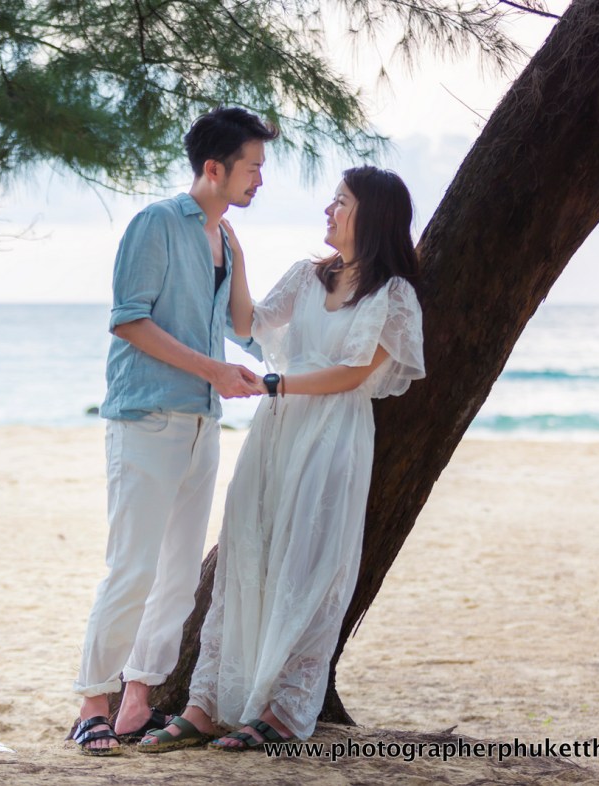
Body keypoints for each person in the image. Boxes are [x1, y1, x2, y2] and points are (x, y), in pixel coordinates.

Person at [139, 166, 425, 753]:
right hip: (276, 431)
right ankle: (204, 705)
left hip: (332, 435)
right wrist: (238, 260)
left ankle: (283, 709)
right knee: (246, 552)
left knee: (306, 567)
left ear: (372, 215)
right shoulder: (306, 275)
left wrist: (276, 384)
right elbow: (248, 322)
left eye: (341, 202)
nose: (329, 210)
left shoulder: (393, 295)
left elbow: (352, 373)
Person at [70, 107, 278, 756]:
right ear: (214, 168)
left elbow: (241, 326)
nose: (260, 180)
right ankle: (92, 702)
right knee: (132, 566)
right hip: (147, 417)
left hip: (201, 423)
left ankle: (138, 698)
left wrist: (238, 259)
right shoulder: (156, 223)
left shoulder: (223, 239)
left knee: (179, 574)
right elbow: (129, 320)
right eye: (252, 167)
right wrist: (214, 369)